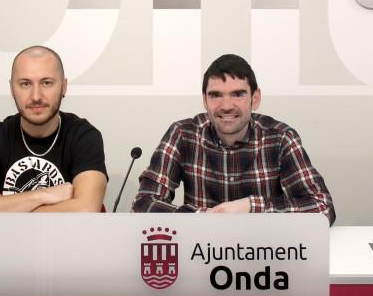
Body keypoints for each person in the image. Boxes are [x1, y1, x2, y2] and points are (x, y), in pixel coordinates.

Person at [132, 54, 335, 224]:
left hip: (265, 251)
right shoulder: (183, 134)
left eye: (238, 94)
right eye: (216, 95)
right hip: (200, 250)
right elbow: (142, 204)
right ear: (204, 100)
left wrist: (251, 206)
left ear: (255, 98)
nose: (226, 106)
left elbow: (322, 208)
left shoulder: (280, 138)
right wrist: (203, 218)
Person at [0, 45, 107, 212]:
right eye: (25, 84)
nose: (36, 96)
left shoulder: (83, 136)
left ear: (64, 86)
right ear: (12, 89)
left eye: (46, 83)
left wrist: (0, 204)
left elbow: (86, 209)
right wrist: (42, 195)